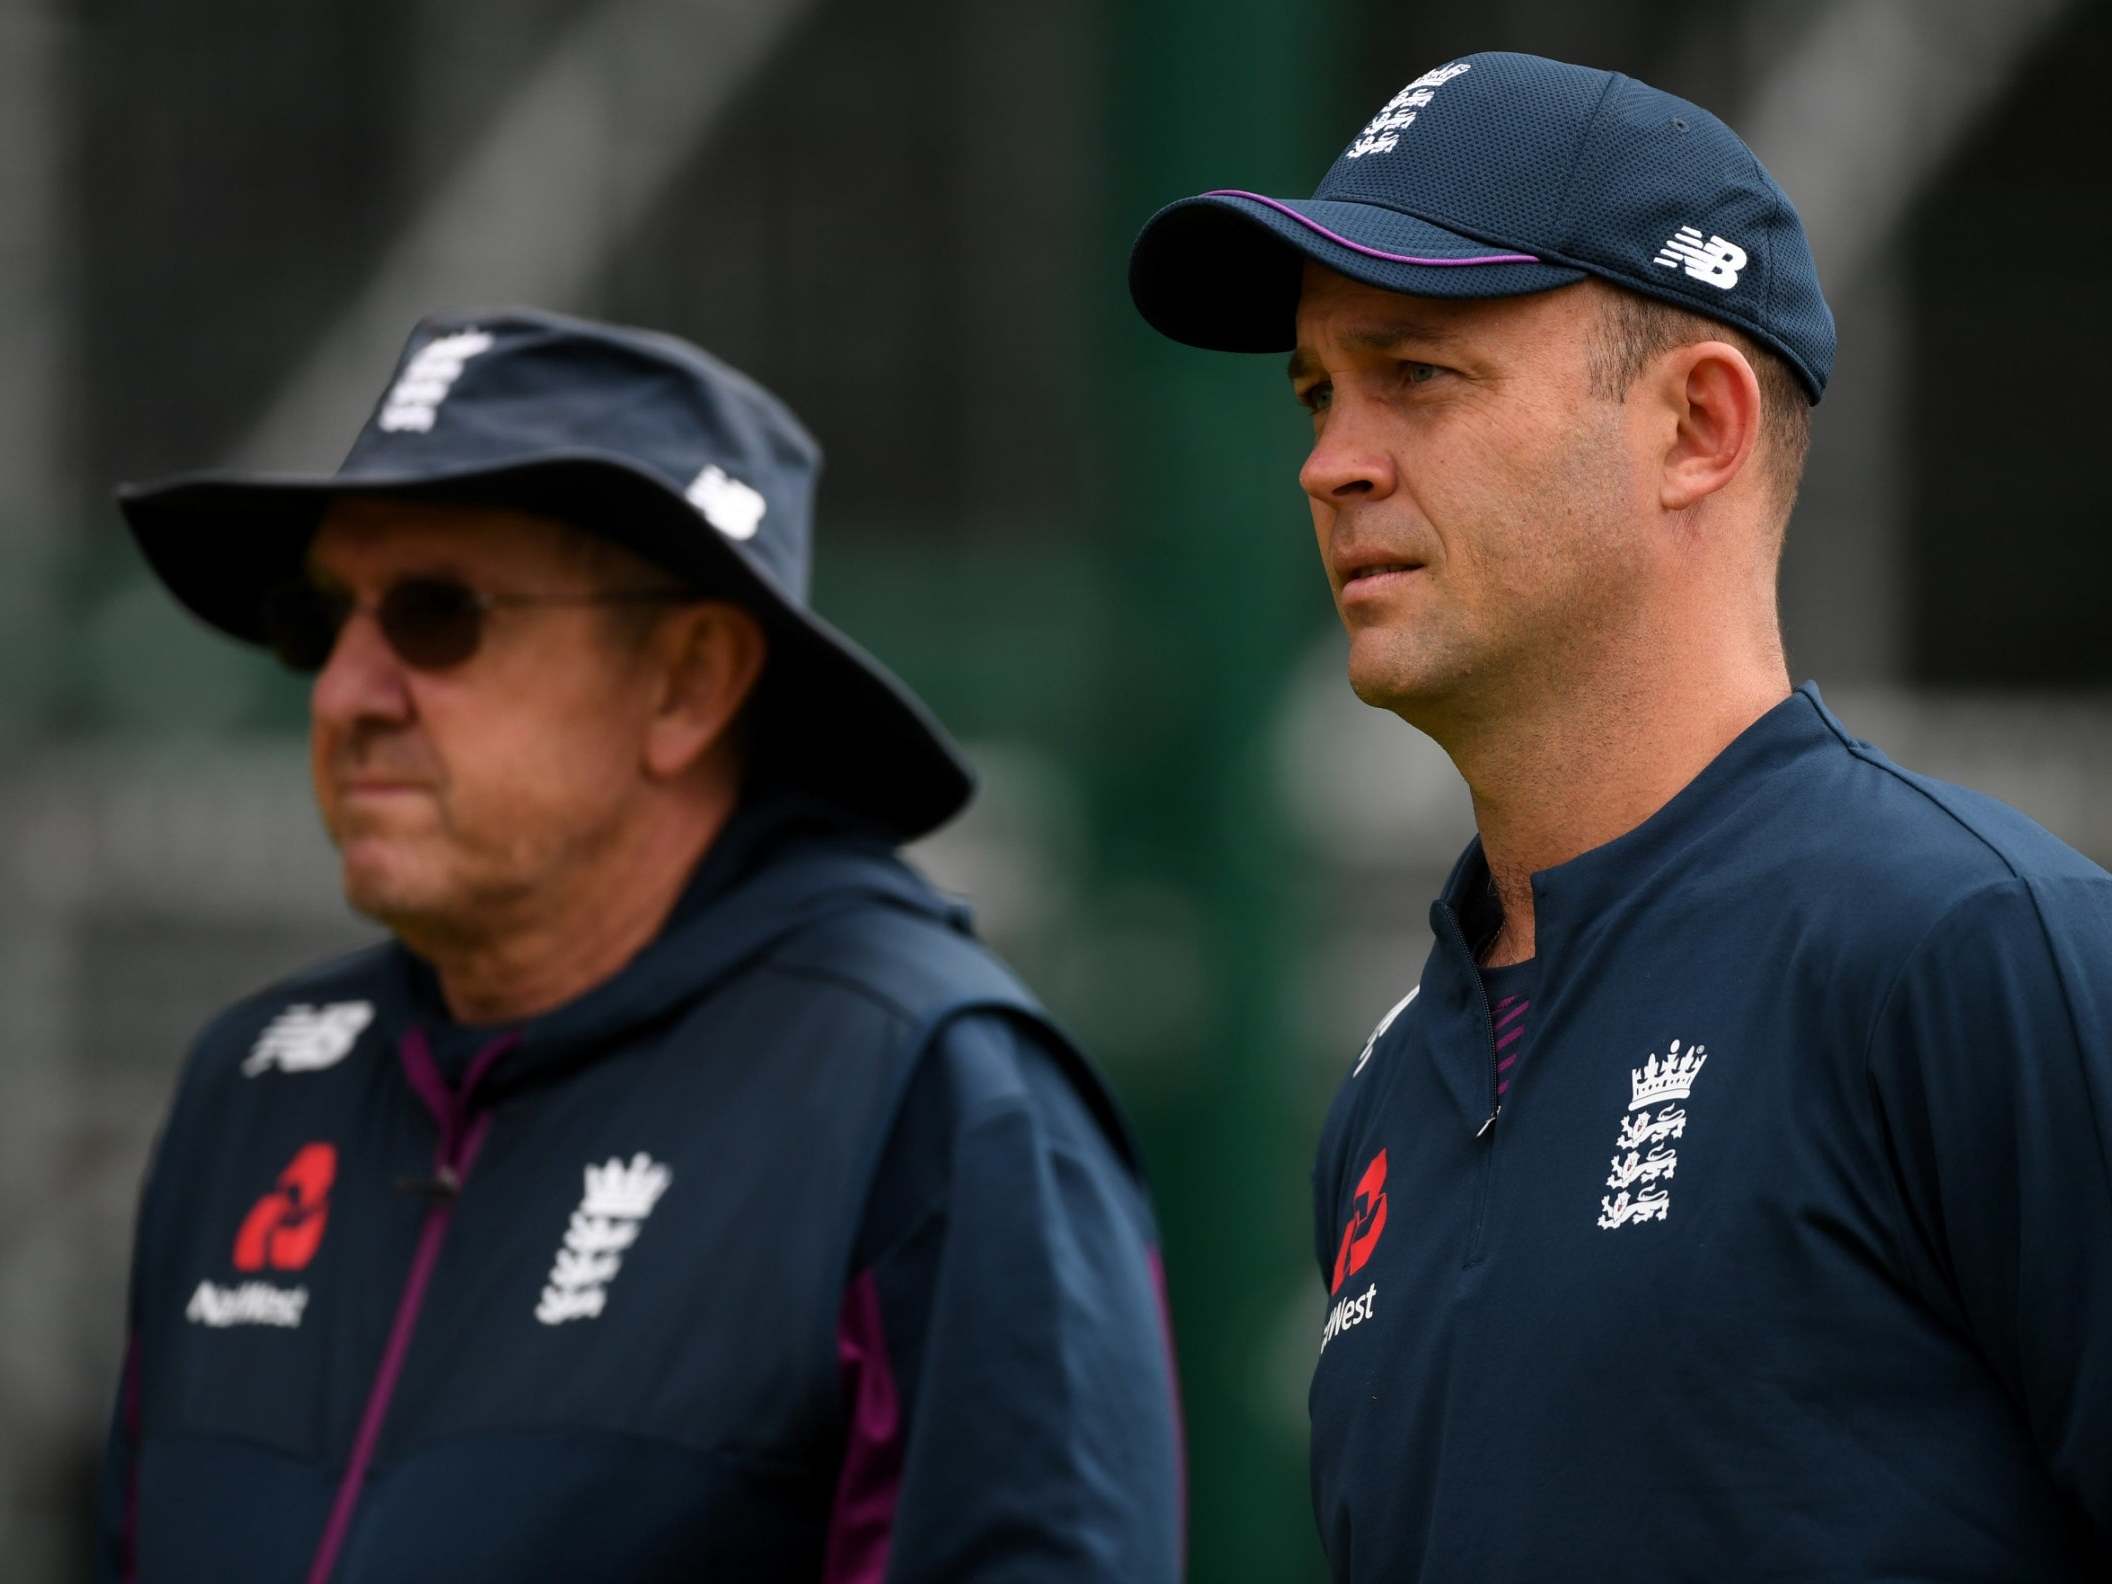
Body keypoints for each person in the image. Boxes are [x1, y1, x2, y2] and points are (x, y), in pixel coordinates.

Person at [1128, 49, 2109, 1582]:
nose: (1329, 463)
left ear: (1698, 426)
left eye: (1417, 375)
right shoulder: (1393, 1085)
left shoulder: (1978, 950)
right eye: (1318, 392)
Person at [95, 309, 1184, 1582]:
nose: (344, 691)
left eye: (438, 615)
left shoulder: (930, 1100)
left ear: (688, 682)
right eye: (321, 619)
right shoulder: (253, 1086)